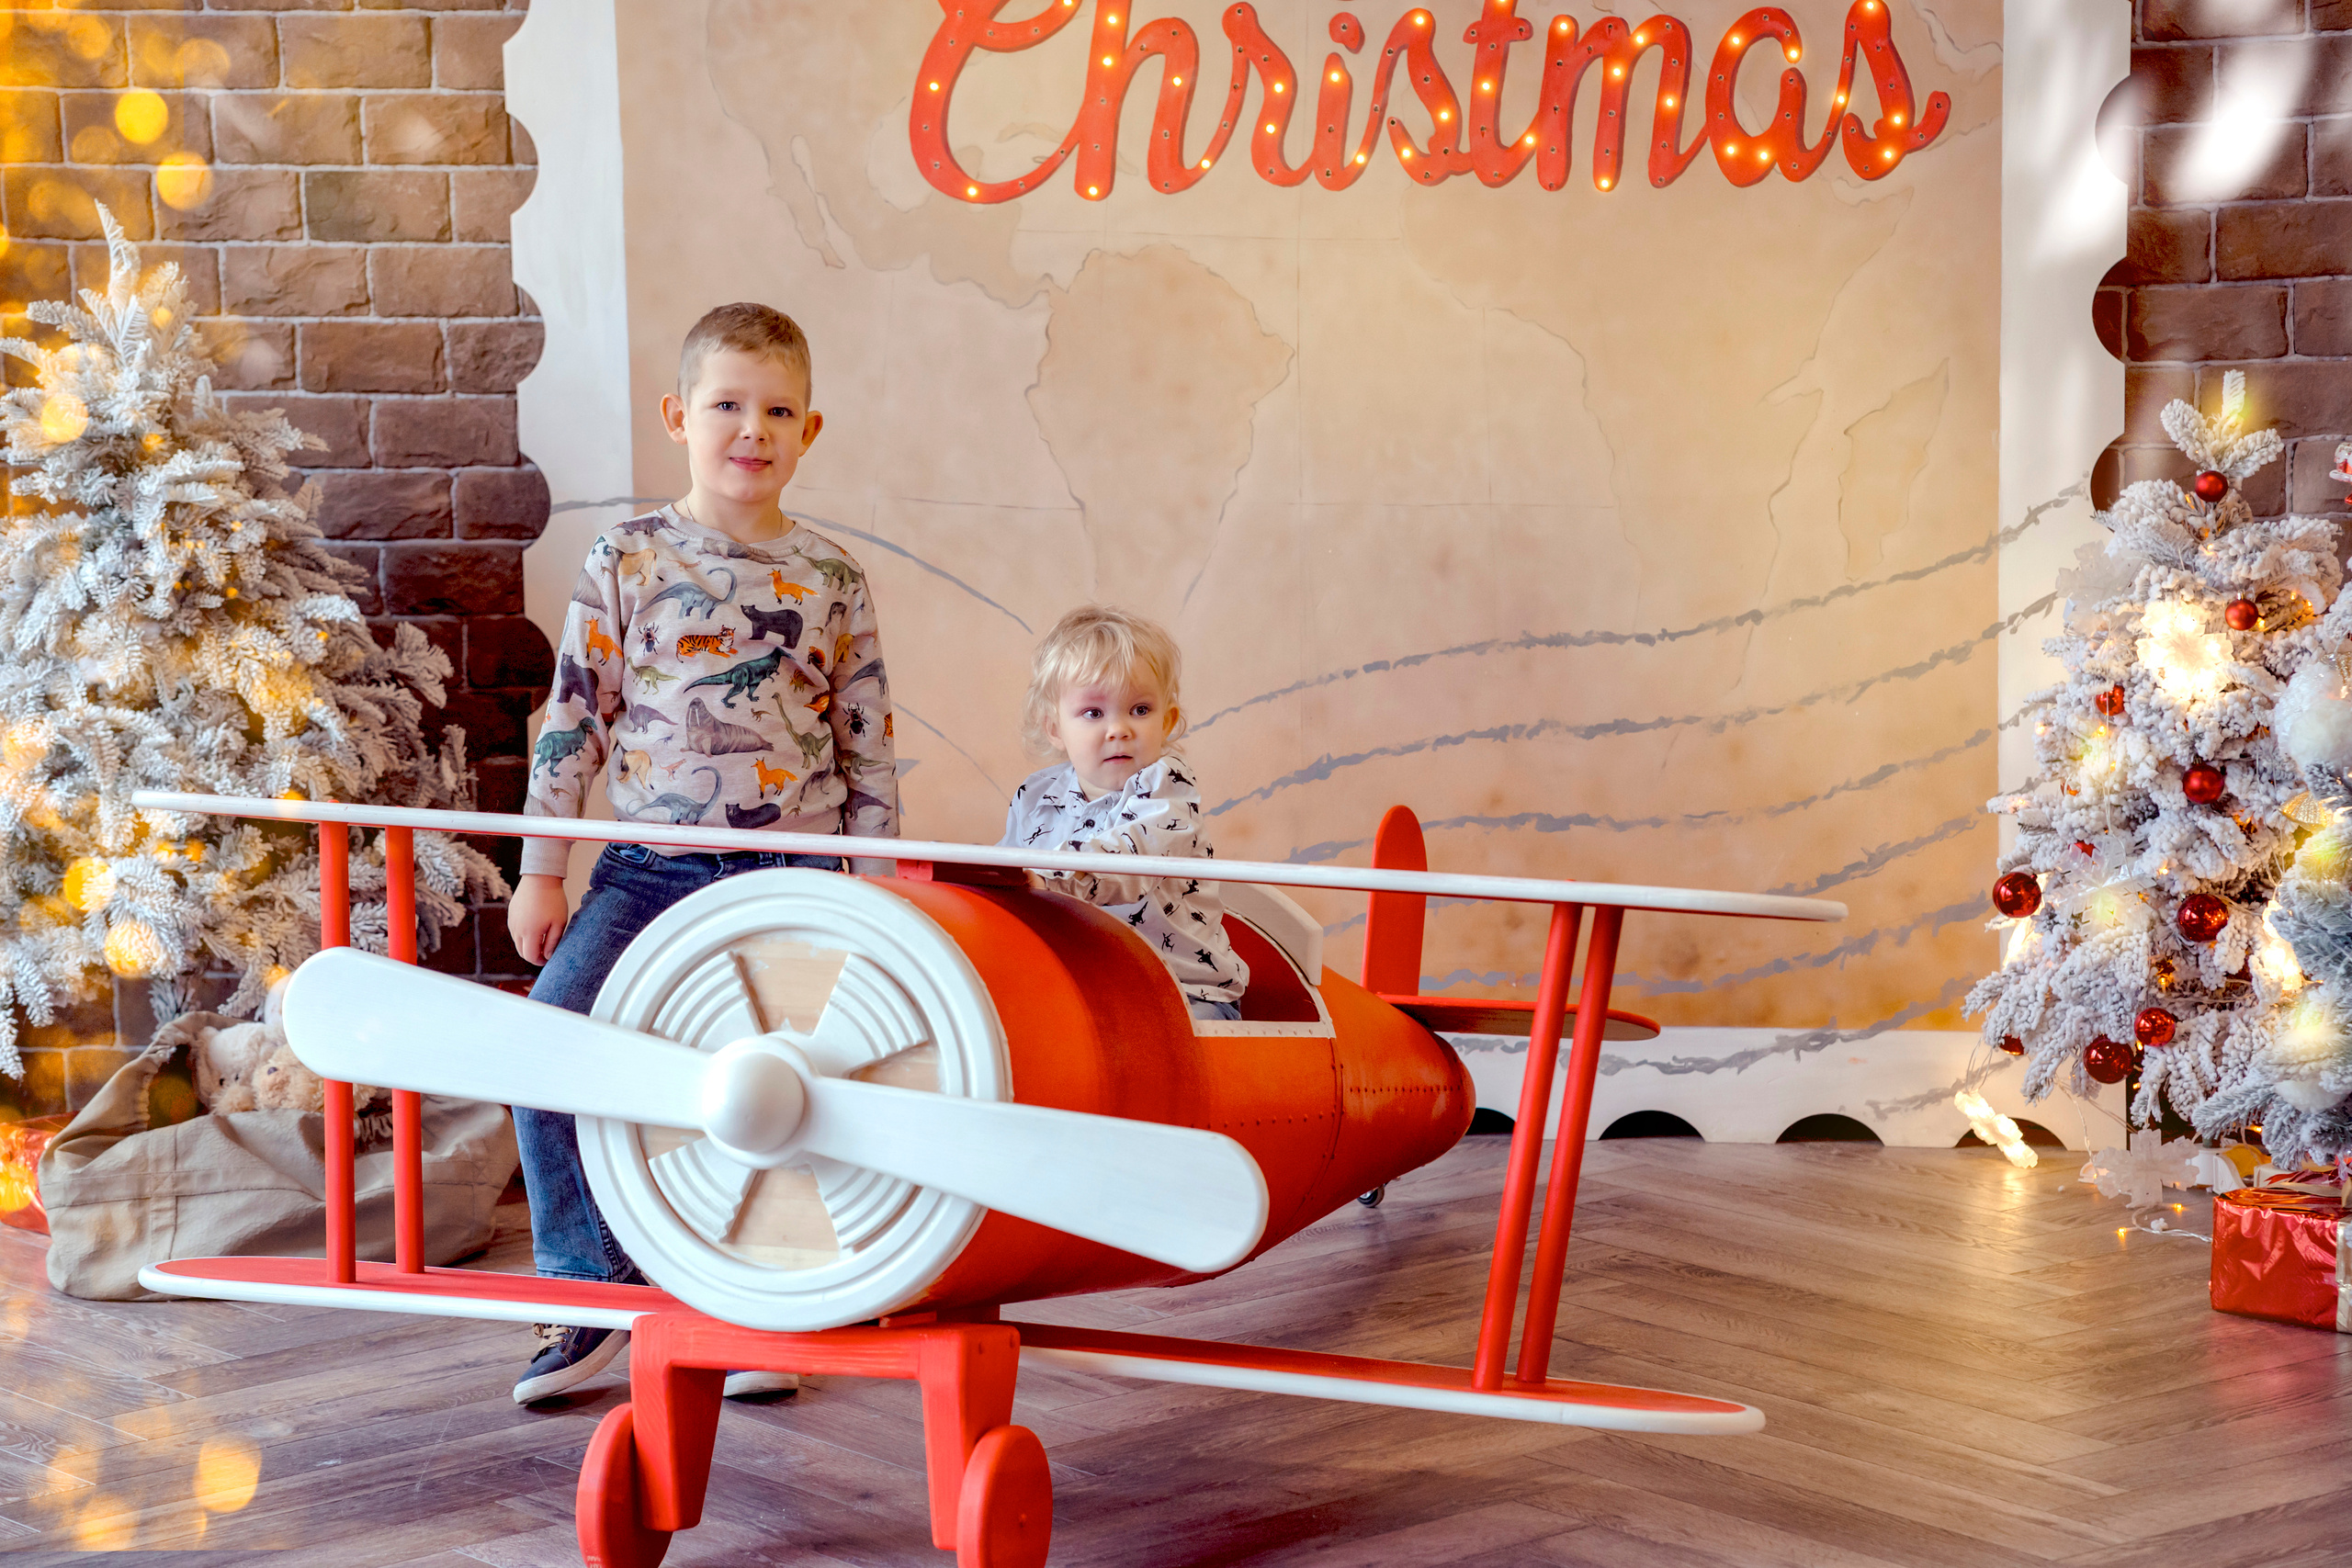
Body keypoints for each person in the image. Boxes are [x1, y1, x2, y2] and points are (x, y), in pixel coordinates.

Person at [506, 303, 899, 1404]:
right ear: (679, 417)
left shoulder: (831, 577)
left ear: (809, 431)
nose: (751, 430)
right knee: (548, 1045)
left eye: (777, 411)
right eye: (727, 405)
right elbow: (574, 716)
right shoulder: (626, 556)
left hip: (796, 881)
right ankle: (590, 1288)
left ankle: (757, 1306)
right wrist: (542, 868)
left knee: (776, 1095)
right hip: (647, 871)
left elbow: (866, 742)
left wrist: (880, 893)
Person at [1001, 606, 1248, 1020]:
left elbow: (1129, 860)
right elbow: (1003, 873)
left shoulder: (1167, 788)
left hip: (1183, 994)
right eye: (1094, 713)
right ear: (1055, 728)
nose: (1119, 729)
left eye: (1140, 710)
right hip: (1083, 990)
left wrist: (1046, 877)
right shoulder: (1036, 795)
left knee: (1167, 1045)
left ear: (1167, 721)